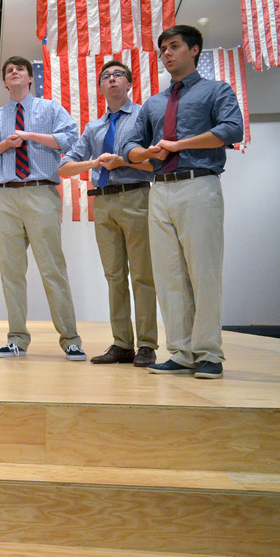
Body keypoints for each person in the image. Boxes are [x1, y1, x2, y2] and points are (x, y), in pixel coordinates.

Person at [123, 25, 244, 379]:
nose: (167, 54)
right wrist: (143, 152)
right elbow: (128, 146)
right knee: (168, 274)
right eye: (163, 49)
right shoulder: (154, 103)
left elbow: (231, 129)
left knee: (202, 272)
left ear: (194, 50)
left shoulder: (216, 90)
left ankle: (208, 353)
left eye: (174, 46)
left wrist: (179, 145)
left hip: (199, 185)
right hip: (159, 189)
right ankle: (181, 351)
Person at [0, 56, 86, 361]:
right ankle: (17, 339)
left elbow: (69, 139)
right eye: (9, 71)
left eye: (21, 69)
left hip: (40, 193)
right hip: (5, 197)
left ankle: (70, 339)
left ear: (31, 78)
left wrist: (28, 135)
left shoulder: (49, 109)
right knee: (11, 272)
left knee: (53, 269)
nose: (15, 73)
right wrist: (5, 145)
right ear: (5, 82)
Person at [59, 60, 158, 367]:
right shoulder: (94, 127)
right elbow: (63, 168)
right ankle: (122, 343)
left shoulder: (144, 116)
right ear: (100, 87)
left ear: (129, 84)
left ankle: (147, 345)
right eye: (106, 76)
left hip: (136, 197)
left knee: (142, 275)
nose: (112, 79)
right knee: (114, 276)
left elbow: (157, 163)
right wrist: (95, 163)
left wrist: (123, 162)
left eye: (118, 75)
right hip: (102, 202)